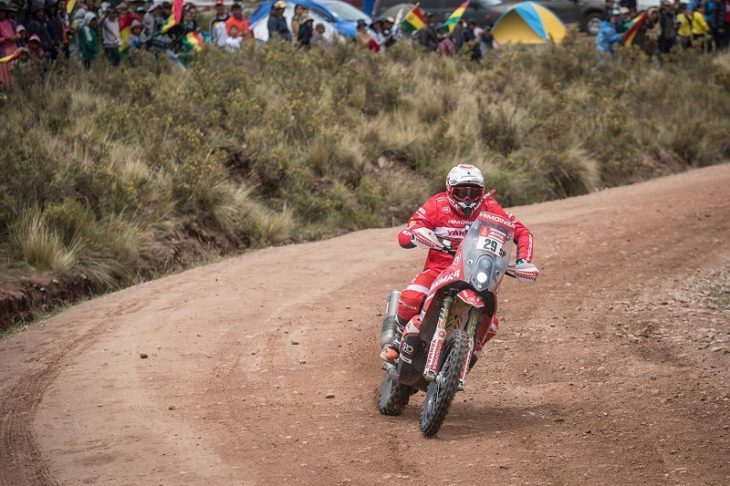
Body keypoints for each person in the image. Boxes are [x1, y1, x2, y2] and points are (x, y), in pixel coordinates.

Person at [380, 164, 535, 363]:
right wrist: (416, 234)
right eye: (462, 193)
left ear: (482, 192)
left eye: (474, 193)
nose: (468, 198)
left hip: (477, 272)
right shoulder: (437, 205)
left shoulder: (490, 206)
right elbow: (407, 232)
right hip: (439, 269)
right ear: (450, 190)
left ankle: (465, 356)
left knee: (492, 325)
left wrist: (523, 261)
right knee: (412, 296)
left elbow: (522, 232)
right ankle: (395, 341)